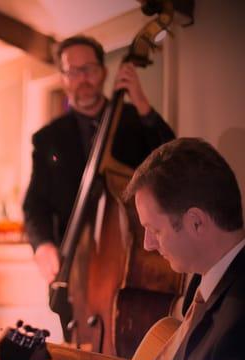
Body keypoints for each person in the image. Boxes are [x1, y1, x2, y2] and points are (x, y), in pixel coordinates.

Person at [5, 138, 245, 360]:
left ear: (196, 223)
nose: (147, 244)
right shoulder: (206, 279)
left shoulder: (238, 320)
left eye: (155, 230)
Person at [22, 35, 175, 283]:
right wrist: (43, 246)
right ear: (62, 78)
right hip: (75, 266)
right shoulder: (47, 138)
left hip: (133, 261)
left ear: (104, 72)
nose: (83, 78)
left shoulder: (135, 119)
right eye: (73, 71)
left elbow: (171, 157)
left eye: (89, 69)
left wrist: (141, 102)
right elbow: (35, 204)